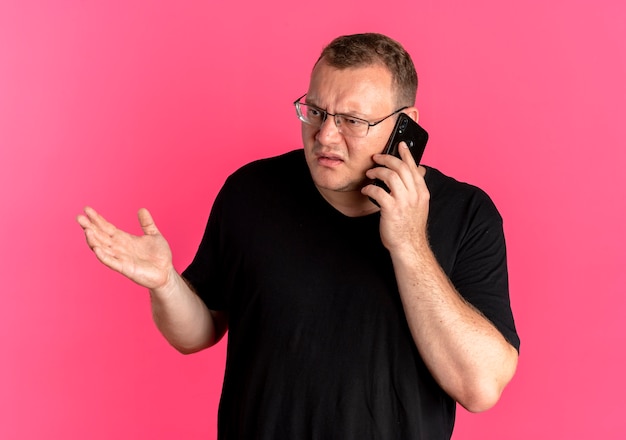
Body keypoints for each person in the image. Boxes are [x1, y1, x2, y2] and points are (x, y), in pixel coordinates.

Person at [77, 33, 519, 439]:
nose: (325, 135)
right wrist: (165, 283)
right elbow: (197, 333)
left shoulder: (467, 215)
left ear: (405, 124)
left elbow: (479, 388)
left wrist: (408, 242)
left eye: (351, 120)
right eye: (316, 111)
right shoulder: (251, 192)